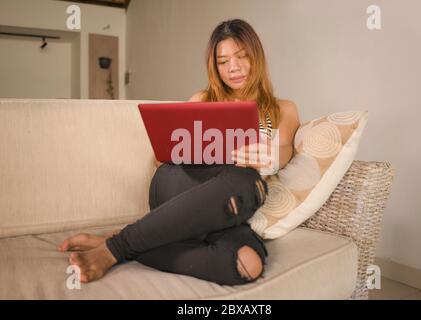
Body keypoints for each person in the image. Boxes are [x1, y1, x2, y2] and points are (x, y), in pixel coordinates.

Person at [58, 19, 300, 285]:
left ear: (257, 56)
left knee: (246, 263)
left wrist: (272, 155)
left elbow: (285, 148)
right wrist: (175, 150)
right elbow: (163, 157)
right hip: (179, 187)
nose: (233, 67)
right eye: (222, 61)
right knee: (245, 181)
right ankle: (116, 248)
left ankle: (127, 239)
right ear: (214, 66)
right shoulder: (202, 100)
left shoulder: (284, 109)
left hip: (232, 207)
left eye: (242, 56)